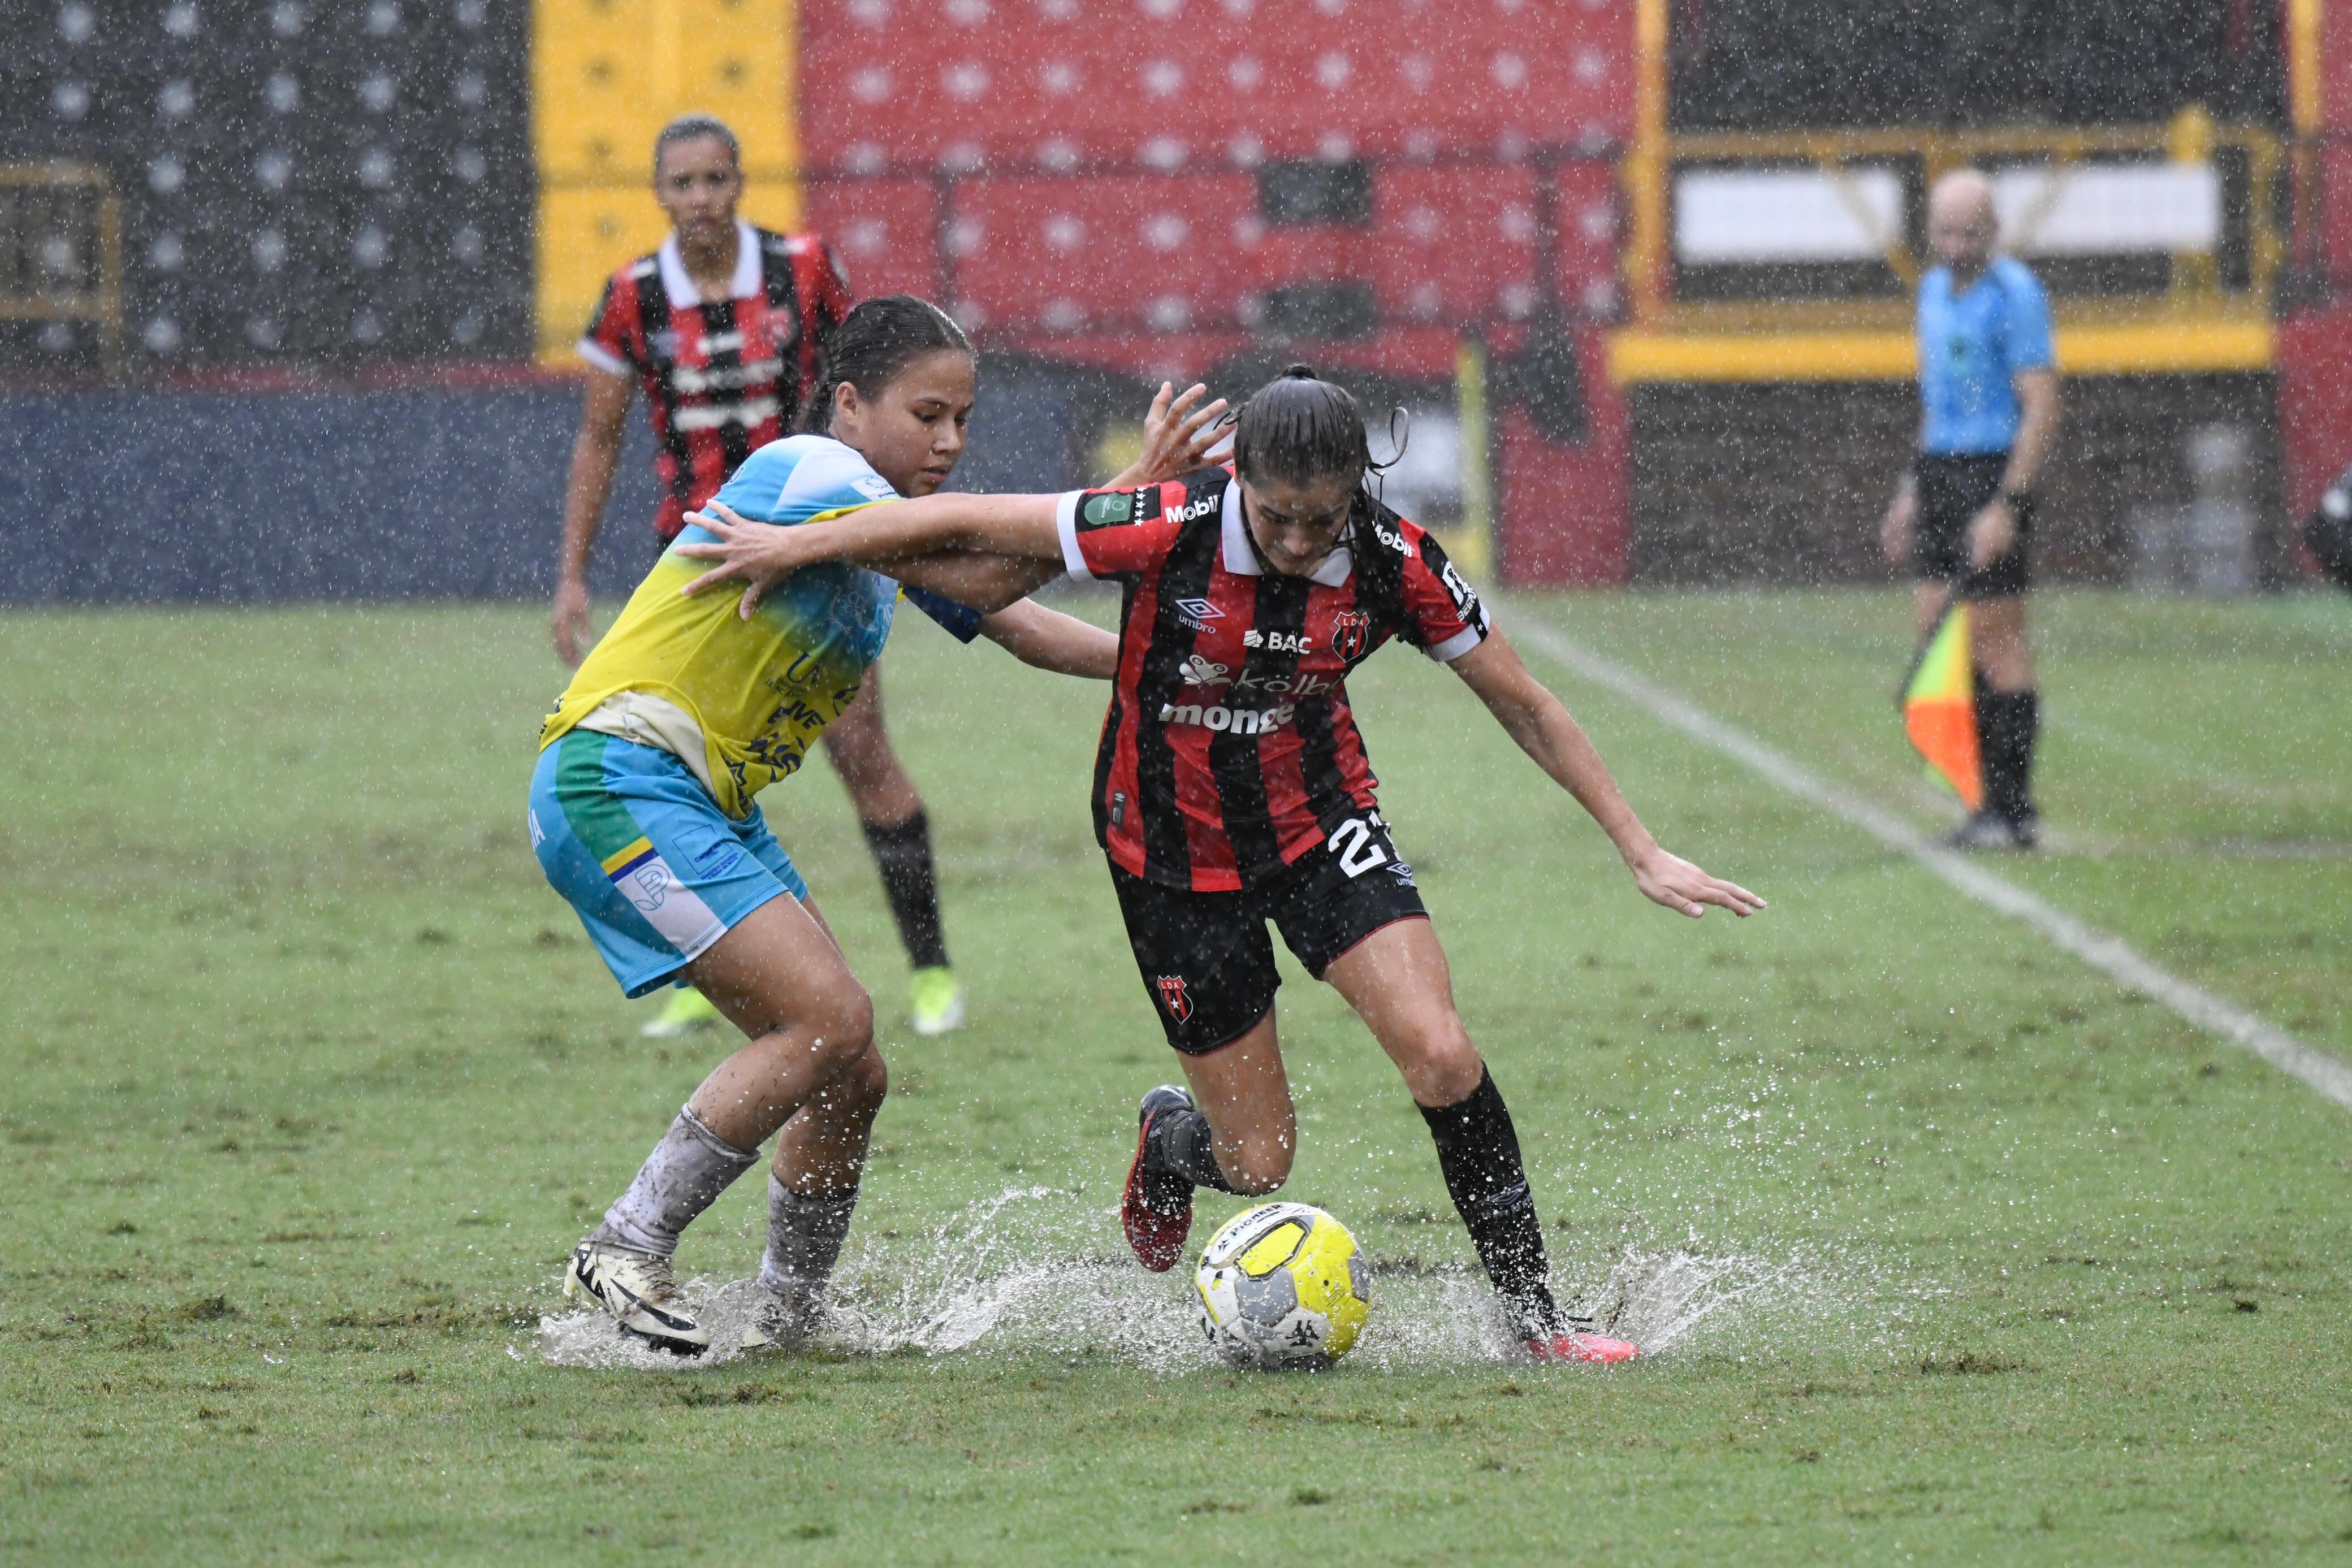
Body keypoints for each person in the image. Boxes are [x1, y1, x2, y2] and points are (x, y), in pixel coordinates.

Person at [674, 366, 1765, 1365]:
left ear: (1357, 494)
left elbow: (1524, 702)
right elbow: (964, 518)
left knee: (1440, 1051)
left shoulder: (1398, 562)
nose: (1297, 541)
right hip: (1169, 854)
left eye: (1321, 519)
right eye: (1276, 516)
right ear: (1238, 478)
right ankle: (1170, 1138)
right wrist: (798, 546)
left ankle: (1538, 1322)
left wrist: (1638, 842)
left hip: (1317, 825)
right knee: (1258, 1162)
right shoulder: (1164, 522)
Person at [534, 295, 1227, 1355]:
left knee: (851, 1068)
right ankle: (626, 1242)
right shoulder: (815, 474)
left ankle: (792, 1314)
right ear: (850, 405)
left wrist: (1197, 670)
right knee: (824, 1021)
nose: (949, 442)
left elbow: (1025, 623)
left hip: (694, 796)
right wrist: (1133, 493)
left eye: (963, 419)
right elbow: (998, 566)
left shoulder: (885, 528)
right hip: (617, 776)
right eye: (928, 414)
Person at [551, 112, 969, 1038]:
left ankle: (933, 970)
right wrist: (572, 573)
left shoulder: (804, 269)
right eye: (683, 183)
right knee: (683, 764)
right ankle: (713, 964)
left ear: (740, 185)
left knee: (864, 756)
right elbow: (599, 436)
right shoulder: (631, 296)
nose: (700, 199)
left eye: (716, 180)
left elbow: (869, 384)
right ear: (660, 194)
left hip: (816, 553)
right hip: (701, 564)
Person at [1880, 168, 2063, 850]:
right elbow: (1935, 403)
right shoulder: (1929, 291)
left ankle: (2012, 809)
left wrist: (2006, 505)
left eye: (1969, 231)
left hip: (1992, 470)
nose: (1955, 244)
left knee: (1995, 636)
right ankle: (1977, 799)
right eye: (1945, 231)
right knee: (1938, 632)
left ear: (1992, 231)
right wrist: (1910, 486)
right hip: (1940, 470)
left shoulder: (2015, 295)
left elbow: (2041, 403)